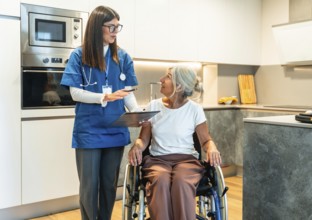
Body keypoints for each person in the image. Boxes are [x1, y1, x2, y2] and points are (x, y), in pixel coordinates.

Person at [60, 5, 140, 220]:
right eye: (111, 27)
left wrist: (139, 113)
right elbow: (75, 93)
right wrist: (102, 97)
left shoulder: (122, 57)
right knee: (89, 186)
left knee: (108, 185)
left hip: (115, 129)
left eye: (117, 27)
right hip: (89, 131)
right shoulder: (79, 55)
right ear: (97, 27)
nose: (115, 31)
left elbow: (128, 93)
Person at [128, 65, 222, 220]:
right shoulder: (153, 106)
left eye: (168, 77)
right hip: (157, 160)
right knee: (160, 180)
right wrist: (137, 146)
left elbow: (206, 140)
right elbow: (143, 139)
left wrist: (212, 148)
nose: (161, 80)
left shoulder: (194, 109)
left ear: (179, 86)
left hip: (186, 161)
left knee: (182, 181)